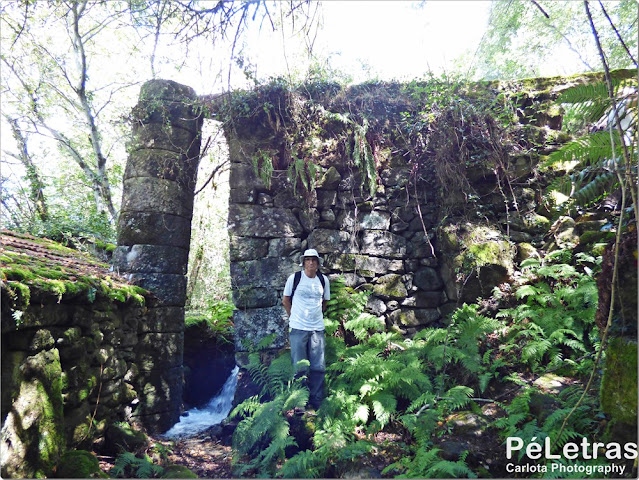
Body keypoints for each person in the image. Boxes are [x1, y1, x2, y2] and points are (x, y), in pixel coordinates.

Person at [282, 248, 330, 410]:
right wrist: (293, 317)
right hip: (298, 328)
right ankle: (300, 402)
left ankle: (316, 400)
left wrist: (316, 316)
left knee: (318, 367)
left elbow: (325, 301)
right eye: (307, 260)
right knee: (299, 367)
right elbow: (286, 300)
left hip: (317, 329)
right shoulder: (295, 278)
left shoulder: (323, 280)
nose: (310, 263)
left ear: (318, 263)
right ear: (303, 262)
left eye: (313, 260)